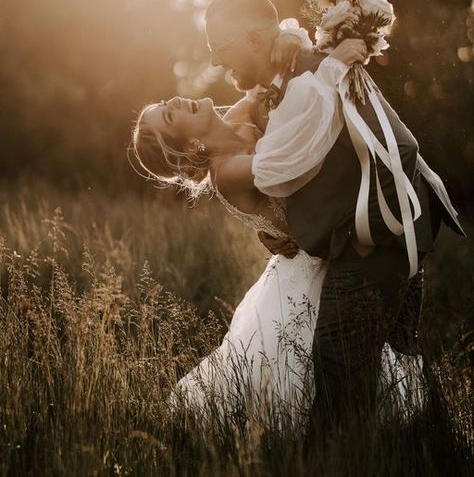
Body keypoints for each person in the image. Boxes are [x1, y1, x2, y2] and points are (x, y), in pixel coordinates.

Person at [203, 0, 465, 437]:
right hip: (382, 237)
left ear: (252, 39)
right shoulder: (290, 75)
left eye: (218, 48)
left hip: (374, 240)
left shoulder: (312, 71)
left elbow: (392, 146)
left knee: (340, 384)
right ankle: (441, 448)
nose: (212, 62)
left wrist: (371, 237)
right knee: (397, 370)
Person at [132, 32, 422, 429]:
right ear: (187, 145)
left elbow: (267, 82)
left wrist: (288, 40)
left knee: (359, 351)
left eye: (164, 105)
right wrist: (332, 64)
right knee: (312, 369)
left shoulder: (234, 117)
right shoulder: (228, 172)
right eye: (170, 116)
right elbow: (298, 144)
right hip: (312, 260)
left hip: (325, 245)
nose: (174, 102)